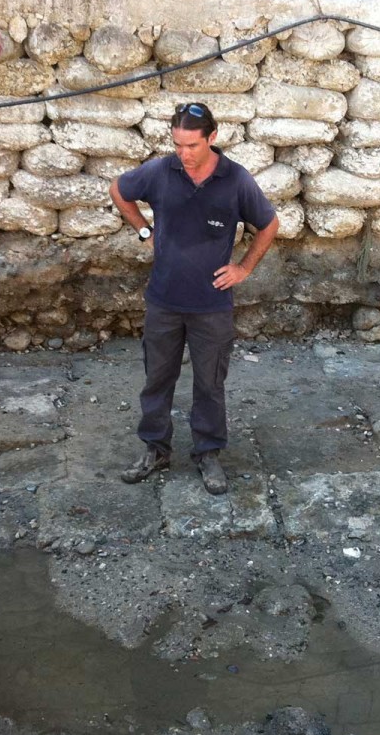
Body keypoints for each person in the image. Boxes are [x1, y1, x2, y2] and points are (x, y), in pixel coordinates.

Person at [109, 102, 280, 495]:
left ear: (212, 139)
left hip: (212, 305)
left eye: (192, 145)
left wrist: (244, 268)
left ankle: (208, 453)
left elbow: (269, 224)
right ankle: (156, 449)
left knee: (209, 383)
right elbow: (120, 190)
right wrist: (143, 231)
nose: (184, 153)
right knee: (157, 379)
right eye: (177, 144)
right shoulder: (160, 170)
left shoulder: (235, 179)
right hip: (164, 300)